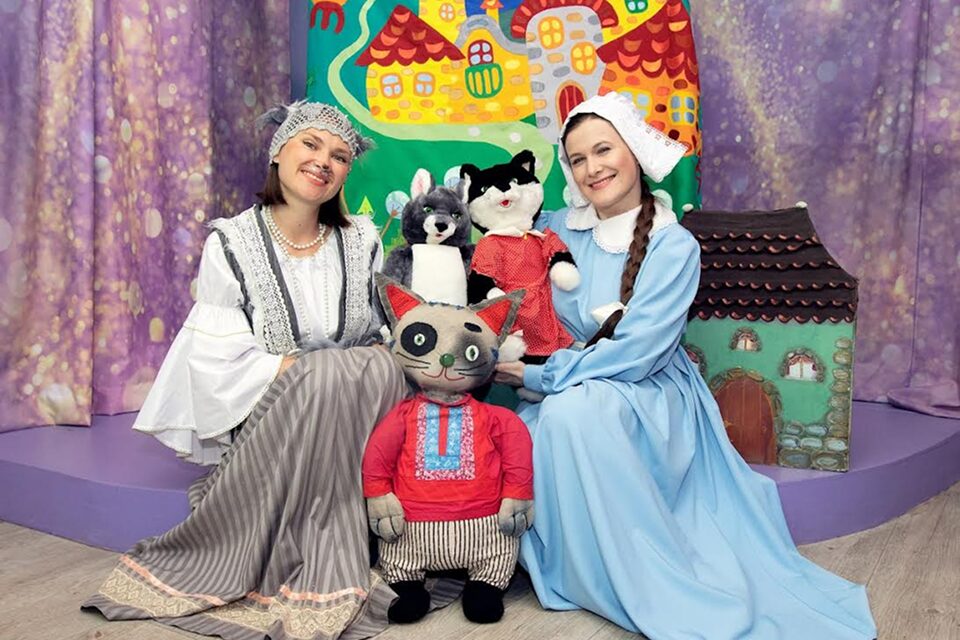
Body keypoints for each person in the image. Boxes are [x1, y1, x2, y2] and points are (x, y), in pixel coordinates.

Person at [494, 92, 878, 640]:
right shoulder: (556, 230)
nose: (592, 168)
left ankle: (632, 576)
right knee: (530, 425)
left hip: (645, 386)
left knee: (573, 415)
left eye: (603, 150)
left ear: (634, 151)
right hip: (571, 378)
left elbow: (638, 352)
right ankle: (574, 568)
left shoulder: (673, 245)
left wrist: (540, 376)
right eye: (577, 159)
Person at [83, 102, 418, 640]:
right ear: (278, 150)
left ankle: (339, 533)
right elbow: (218, 359)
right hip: (272, 413)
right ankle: (310, 553)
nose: (324, 162)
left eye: (339, 156)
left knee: (373, 367)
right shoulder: (232, 242)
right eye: (311, 144)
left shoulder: (364, 240)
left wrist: (341, 370)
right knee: (327, 374)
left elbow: (380, 334)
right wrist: (312, 373)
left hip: (353, 415)